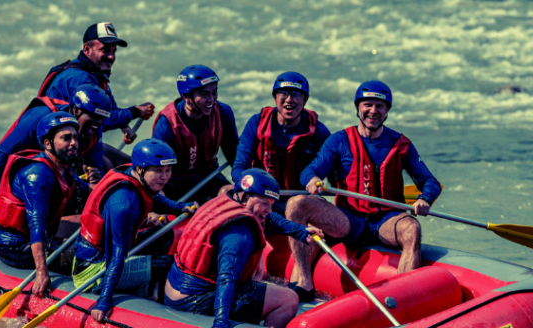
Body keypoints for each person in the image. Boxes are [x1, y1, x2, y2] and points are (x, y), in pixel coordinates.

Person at [285, 80, 442, 302]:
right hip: (348, 219)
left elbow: (430, 182)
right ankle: (304, 281)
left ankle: (405, 297)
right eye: (367, 105)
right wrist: (312, 180)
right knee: (296, 203)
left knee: (412, 228)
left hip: (386, 220)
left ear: (387, 110)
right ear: (358, 107)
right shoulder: (339, 141)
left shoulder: (401, 143)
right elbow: (309, 171)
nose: (373, 111)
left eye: (380, 106)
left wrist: (425, 199)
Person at [164, 169, 323, 328]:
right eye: (264, 203)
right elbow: (227, 279)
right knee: (289, 298)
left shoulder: (226, 201)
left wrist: (300, 231)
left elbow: (270, 219)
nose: (269, 209)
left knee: (256, 282)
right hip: (193, 302)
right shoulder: (239, 235)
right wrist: (220, 322)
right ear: (246, 197)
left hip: (174, 290)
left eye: (271, 203)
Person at [73, 138, 197, 323]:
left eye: (168, 170)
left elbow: (153, 196)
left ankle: (148, 288)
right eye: (158, 171)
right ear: (140, 169)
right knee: (168, 265)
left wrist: (179, 207)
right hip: (93, 271)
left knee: (165, 235)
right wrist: (103, 302)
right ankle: (162, 302)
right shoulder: (123, 205)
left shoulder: (132, 172)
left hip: (103, 252)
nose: (164, 177)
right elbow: (116, 257)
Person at [0, 85, 113, 213]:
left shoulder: (94, 127)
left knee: (106, 163)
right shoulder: (39, 118)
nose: (97, 124)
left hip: (58, 173)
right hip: (23, 178)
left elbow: (95, 163)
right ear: (76, 111)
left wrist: (95, 174)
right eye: (93, 118)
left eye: (101, 119)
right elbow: (1, 154)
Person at [0, 112, 88, 297]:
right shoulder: (38, 175)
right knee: (86, 253)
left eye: (75, 137)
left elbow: (88, 193)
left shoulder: (63, 168)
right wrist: (41, 272)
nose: (74, 143)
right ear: (48, 143)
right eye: (66, 138)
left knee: (92, 231)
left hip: (39, 237)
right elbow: (37, 224)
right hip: (15, 246)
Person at [39, 22, 154, 147]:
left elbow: (109, 108)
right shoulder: (80, 79)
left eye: (113, 51)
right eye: (104, 50)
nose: (111, 56)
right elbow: (98, 120)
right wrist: (135, 112)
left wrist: (124, 126)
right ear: (87, 49)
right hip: (59, 147)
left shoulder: (95, 74)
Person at [232, 71, 331, 215]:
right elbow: (239, 167)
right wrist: (248, 188)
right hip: (263, 196)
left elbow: (335, 175)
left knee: (300, 206)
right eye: (283, 93)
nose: (289, 100)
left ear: (305, 100)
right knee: (229, 193)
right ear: (275, 98)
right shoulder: (256, 123)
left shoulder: (318, 131)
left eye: (296, 95)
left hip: (300, 200)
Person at [151, 65, 239, 204]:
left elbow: (235, 155)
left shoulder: (223, 113)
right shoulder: (167, 124)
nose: (211, 99)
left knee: (232, 194)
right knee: (157, 196)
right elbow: (156, 170)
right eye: (205, 94)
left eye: (214, 92)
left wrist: (243, 184)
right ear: (186, 96)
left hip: (209, 179)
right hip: (173, 184)